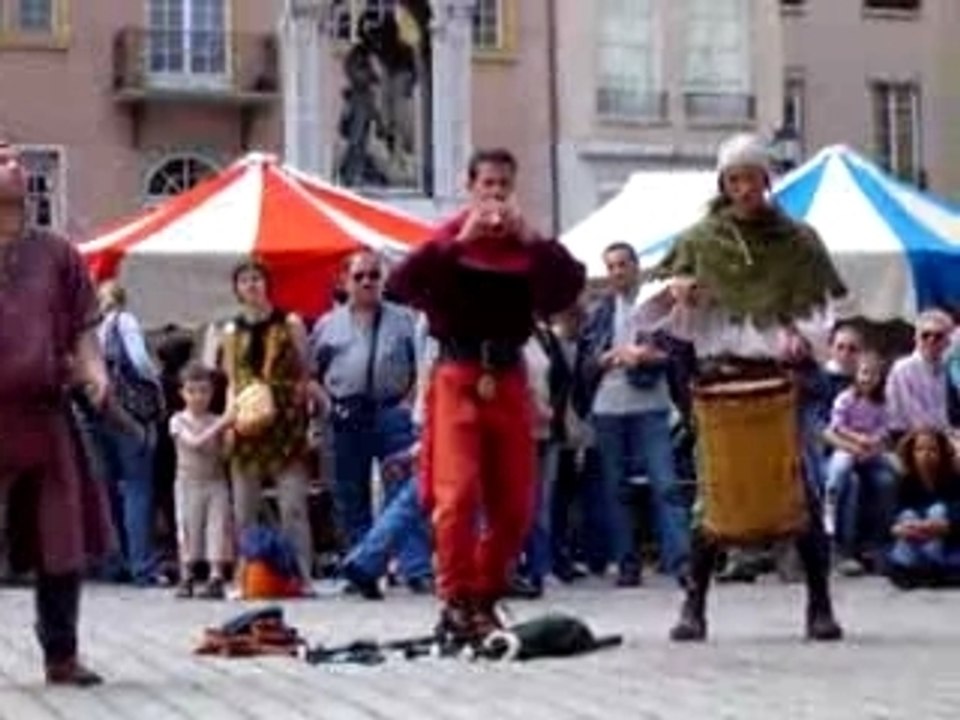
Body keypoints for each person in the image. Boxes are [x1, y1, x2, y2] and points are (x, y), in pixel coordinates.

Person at [640, 132, 848, 642]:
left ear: (766, 180)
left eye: (751, 177)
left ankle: (819, 605)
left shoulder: (800, 241)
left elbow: (824, 312)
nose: (743, 188)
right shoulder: (700, 240)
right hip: (721, 383)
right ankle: (694, 608)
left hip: (780, 383)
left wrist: (806, 340)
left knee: (800, 488)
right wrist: (677, 292)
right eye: (733, 179)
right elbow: (653, 313)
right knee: (714, 498)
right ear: (723, 183)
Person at [386, 147, 585, 646]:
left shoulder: (524, 245)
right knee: (456, 495)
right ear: (471, 187)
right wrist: (460, 243)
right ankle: (454, 598)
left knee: (516, 500)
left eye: (503, 185)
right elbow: (400, 284)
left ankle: (484, 593)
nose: (495, 194)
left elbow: (566, 289)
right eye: (487, 184)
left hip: (509, 376)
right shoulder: (451, 237)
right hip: (458, 372)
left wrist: (535, 242)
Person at [0, 140, 112, 685]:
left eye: (13, 155)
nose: (11, 162)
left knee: (59, 536)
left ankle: (61, 655)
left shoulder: (58, 254)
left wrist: (96, 372)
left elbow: (84, 330)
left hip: (43, 415)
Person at [220, 260, 315, 585]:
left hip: (285, 419)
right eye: (244, 280)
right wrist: (228, 422)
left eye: (257, 279)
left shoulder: (290, 323)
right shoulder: (230, 330)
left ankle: (300, 575)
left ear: (266, 284)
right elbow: (231, 380)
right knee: (244, 506)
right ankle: (246, 576)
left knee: (293, 505)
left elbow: (305, 374)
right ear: (237, 289)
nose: (251, 285)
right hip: (247, 419)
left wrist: (306, 417)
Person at [822, 353, 897, 573]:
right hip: (845, 446)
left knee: (888, 478)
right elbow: (836, 426)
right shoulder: (846, 398)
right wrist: (857, 440)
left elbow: (885, 429)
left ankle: (880, 540)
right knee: (842, 470)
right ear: (856, 374)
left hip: (870, 451)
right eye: (864, 373)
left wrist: (873, 443)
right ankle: (831, 506)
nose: (867, 379)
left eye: (873, 374)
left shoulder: (881, 403)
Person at [169, 363, 237, 599]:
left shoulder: (215, 419)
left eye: (204, 391)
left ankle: (215, 575)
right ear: (182, 393)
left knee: (217, 527)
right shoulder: (178, 420)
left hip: (215, 481)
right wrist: (224, 423)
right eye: (192, 391)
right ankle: (186, 574)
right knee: (189, 528)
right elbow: (194, 442)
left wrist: (230, 435)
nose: (198, 397)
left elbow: (226, 454)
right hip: (188, 482)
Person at [887, 428, 960, 588]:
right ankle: (916, 569)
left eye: (932, 450)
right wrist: (900, 528)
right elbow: (891, 519)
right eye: (920, 450)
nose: (926, 455)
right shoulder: (905, 481)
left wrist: (944, 526)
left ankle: (928, 568)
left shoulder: (953, 479)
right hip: (914, 538)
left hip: (946, 541)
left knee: (938, 510)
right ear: (911, 453)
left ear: (942, 453)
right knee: (908, 515)